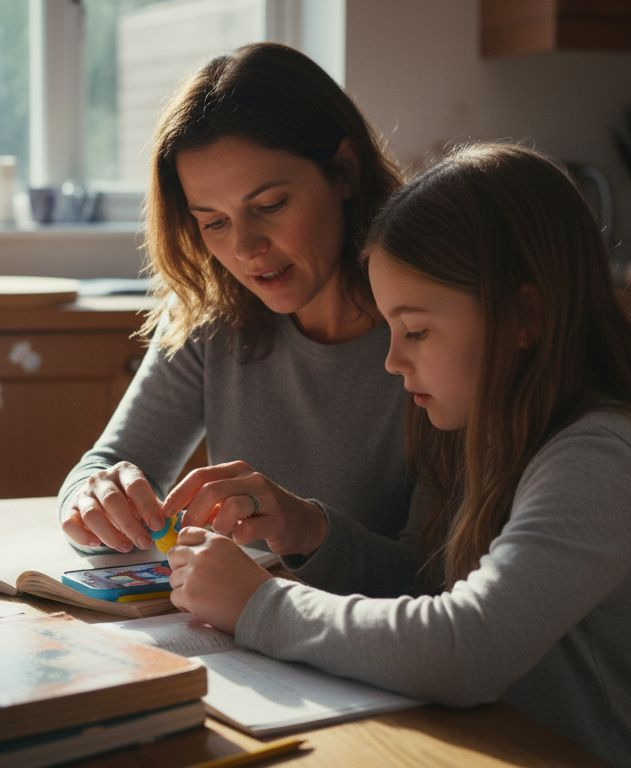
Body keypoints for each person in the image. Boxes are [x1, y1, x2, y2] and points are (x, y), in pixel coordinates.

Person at [166, 142, 631, 766]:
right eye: (392, 330)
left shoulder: (602, 456)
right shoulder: (491, 430)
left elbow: (464, 649)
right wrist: (309, 531)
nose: (393, 361)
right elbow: (429, 587)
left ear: (523, 316)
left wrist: (259, 605)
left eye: (416, 331)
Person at [58, 42, 414, 588]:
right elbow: (108, 461)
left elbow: (446, 579)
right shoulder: (212, 313)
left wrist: (308, 528)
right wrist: (92, 494)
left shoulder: (430, 329)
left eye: (269, 206)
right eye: (213, 222)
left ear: (344, 170)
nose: (245, 248)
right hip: (246, 645)